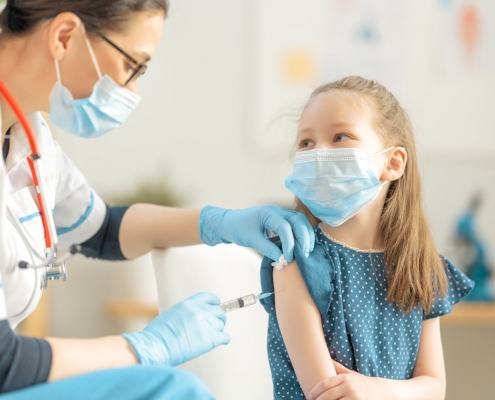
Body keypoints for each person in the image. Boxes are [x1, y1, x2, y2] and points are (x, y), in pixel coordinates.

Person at [0, 1, 315, 398]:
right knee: (172, 390)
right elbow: (4, 363)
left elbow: (102, 230)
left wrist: (220, 224)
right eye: (134, 66)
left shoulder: (29, 137)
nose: (133, 91)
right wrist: (146, 347)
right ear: (64, 37)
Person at [259, 76, 474, 400]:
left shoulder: (421, 267)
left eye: (340, 136)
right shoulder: (294, 260)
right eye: (306, 143)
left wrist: (373, 390)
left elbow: (434, 387)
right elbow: (325, 392)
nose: (318, 153)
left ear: (393, 162)